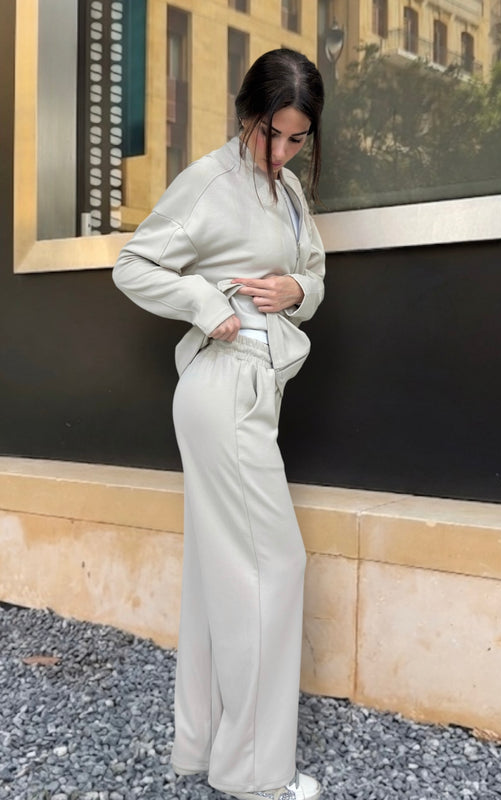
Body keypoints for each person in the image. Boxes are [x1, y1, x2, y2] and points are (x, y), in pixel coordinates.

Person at [112, 48, 325, 800]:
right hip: (222, 383)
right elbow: (133, 264)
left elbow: (314, 274)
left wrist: (294, 287)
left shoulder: (290, 191)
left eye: (297, 138)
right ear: (247, 114)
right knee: (275, 567)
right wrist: (209, 308)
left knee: (220, 573)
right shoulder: (209, 180)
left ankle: (200, 748)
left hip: (251, 388)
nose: (282, 150)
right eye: (272, 134)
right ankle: (254, 775)